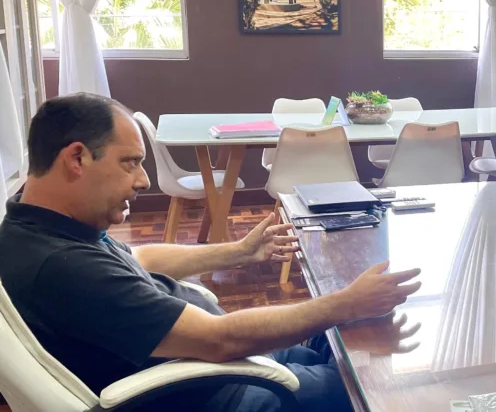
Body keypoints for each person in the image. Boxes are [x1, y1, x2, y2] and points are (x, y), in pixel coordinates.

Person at [0, 93, 422, 411]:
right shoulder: (64, 268)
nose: (143, 180)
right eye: (130, 162)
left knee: (346, 341)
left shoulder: (43, 225)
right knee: (376, 385)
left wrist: (238, 251)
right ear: (76, 158)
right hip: (213, 387)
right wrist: (346, 303)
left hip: (210, 362)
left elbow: (140, 259)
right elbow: (222, 340)